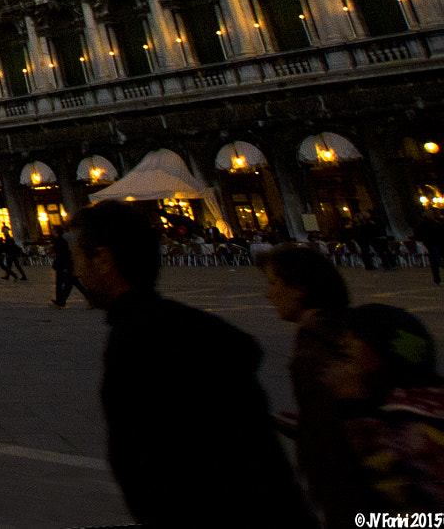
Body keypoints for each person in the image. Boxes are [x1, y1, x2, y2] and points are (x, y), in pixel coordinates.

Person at [67, 200, 311, 527]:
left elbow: (154, 472)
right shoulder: (192, 326)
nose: (76, 272)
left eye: (79, 259)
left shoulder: (137, 344)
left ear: (103, 260)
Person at [259, 243, 358, 524]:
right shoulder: (344, 328)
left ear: (299, 288)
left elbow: (339, 434)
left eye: (273, 283)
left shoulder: (314, 348)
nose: (268, 294)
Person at [332, 302, 444, 511]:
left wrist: (354, 411)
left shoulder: (413, 425)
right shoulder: (426, 400)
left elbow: (411, 509)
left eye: (351, 338)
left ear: (379, 354)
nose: (341, 345)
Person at [49, 231, 81, 309]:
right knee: (72, 283)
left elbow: (63, 253)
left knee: (69, 283)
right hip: (68, 263)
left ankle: (60, 301)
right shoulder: (66, 239)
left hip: (65, 264)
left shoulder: (63, 240)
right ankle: (60, 301)